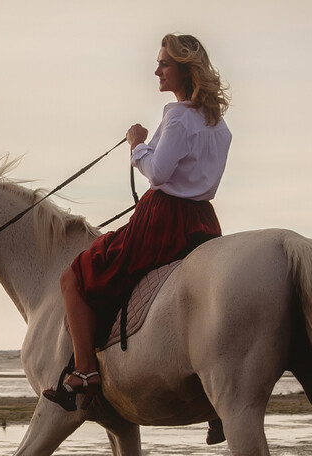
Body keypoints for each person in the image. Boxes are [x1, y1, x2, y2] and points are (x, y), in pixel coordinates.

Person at [44, 33, 232, 411]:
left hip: (164, 219)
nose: (157, 70)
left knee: (76, 276)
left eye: (164, 63)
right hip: (204, 223)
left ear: (183, 69)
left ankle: (84, 371)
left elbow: (159, 174)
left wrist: (137, 144)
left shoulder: (178, 117)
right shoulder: (219, 126)